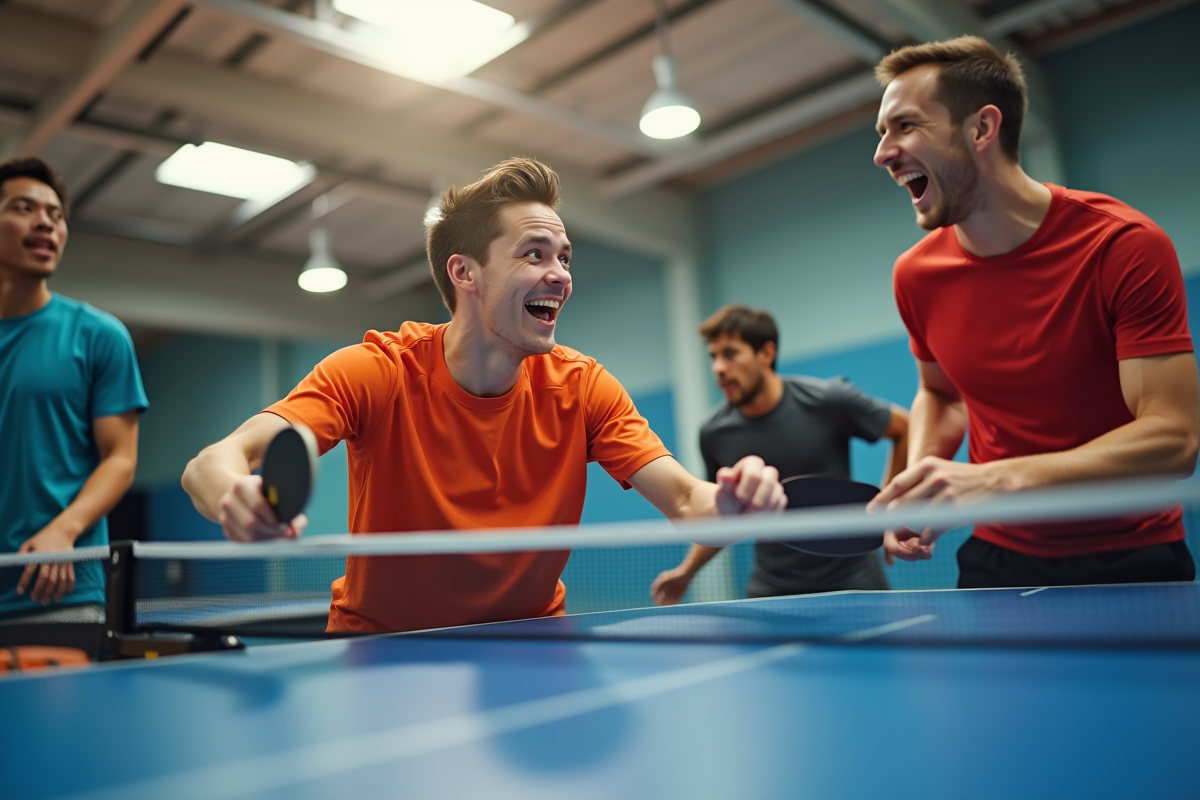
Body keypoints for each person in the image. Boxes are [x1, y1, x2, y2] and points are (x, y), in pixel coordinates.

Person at [182, 157, 786, 634]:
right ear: (465, 273)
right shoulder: (378, 371)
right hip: (384, 649)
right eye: (534, 254)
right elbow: (211, 464)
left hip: (532, 643)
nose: (562, 274)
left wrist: (732, 505)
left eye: (564, 256)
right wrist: (235, 497)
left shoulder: (582, 387)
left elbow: (686, 500)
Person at [869, 36, 1198, 587]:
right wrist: (919, 485)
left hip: (1134, 556)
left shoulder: (1123, 246)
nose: (882, 153)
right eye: (881, 134)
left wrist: (993, 480)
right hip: (999, 559)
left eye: (905, 126)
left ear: (981, 128)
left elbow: (1175, 437)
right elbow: (941, 393)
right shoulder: (915, 275)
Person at [650, 305, 909, 605]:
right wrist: (686, 572)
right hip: (772, 589)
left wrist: (891, 510)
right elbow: (721, 518)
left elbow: (906, 428)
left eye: (730, 354)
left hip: (853, 581)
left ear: (766, 354)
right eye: (714, 356)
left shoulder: (828, 400)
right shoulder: (714, 432)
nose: (718, 368)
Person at [0, 157, 147, 622]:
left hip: (58, 592)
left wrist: (64, 532)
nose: (45, 221)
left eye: (56, 214)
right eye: (24, 208)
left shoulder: (99, 335)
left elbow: (120, 459)